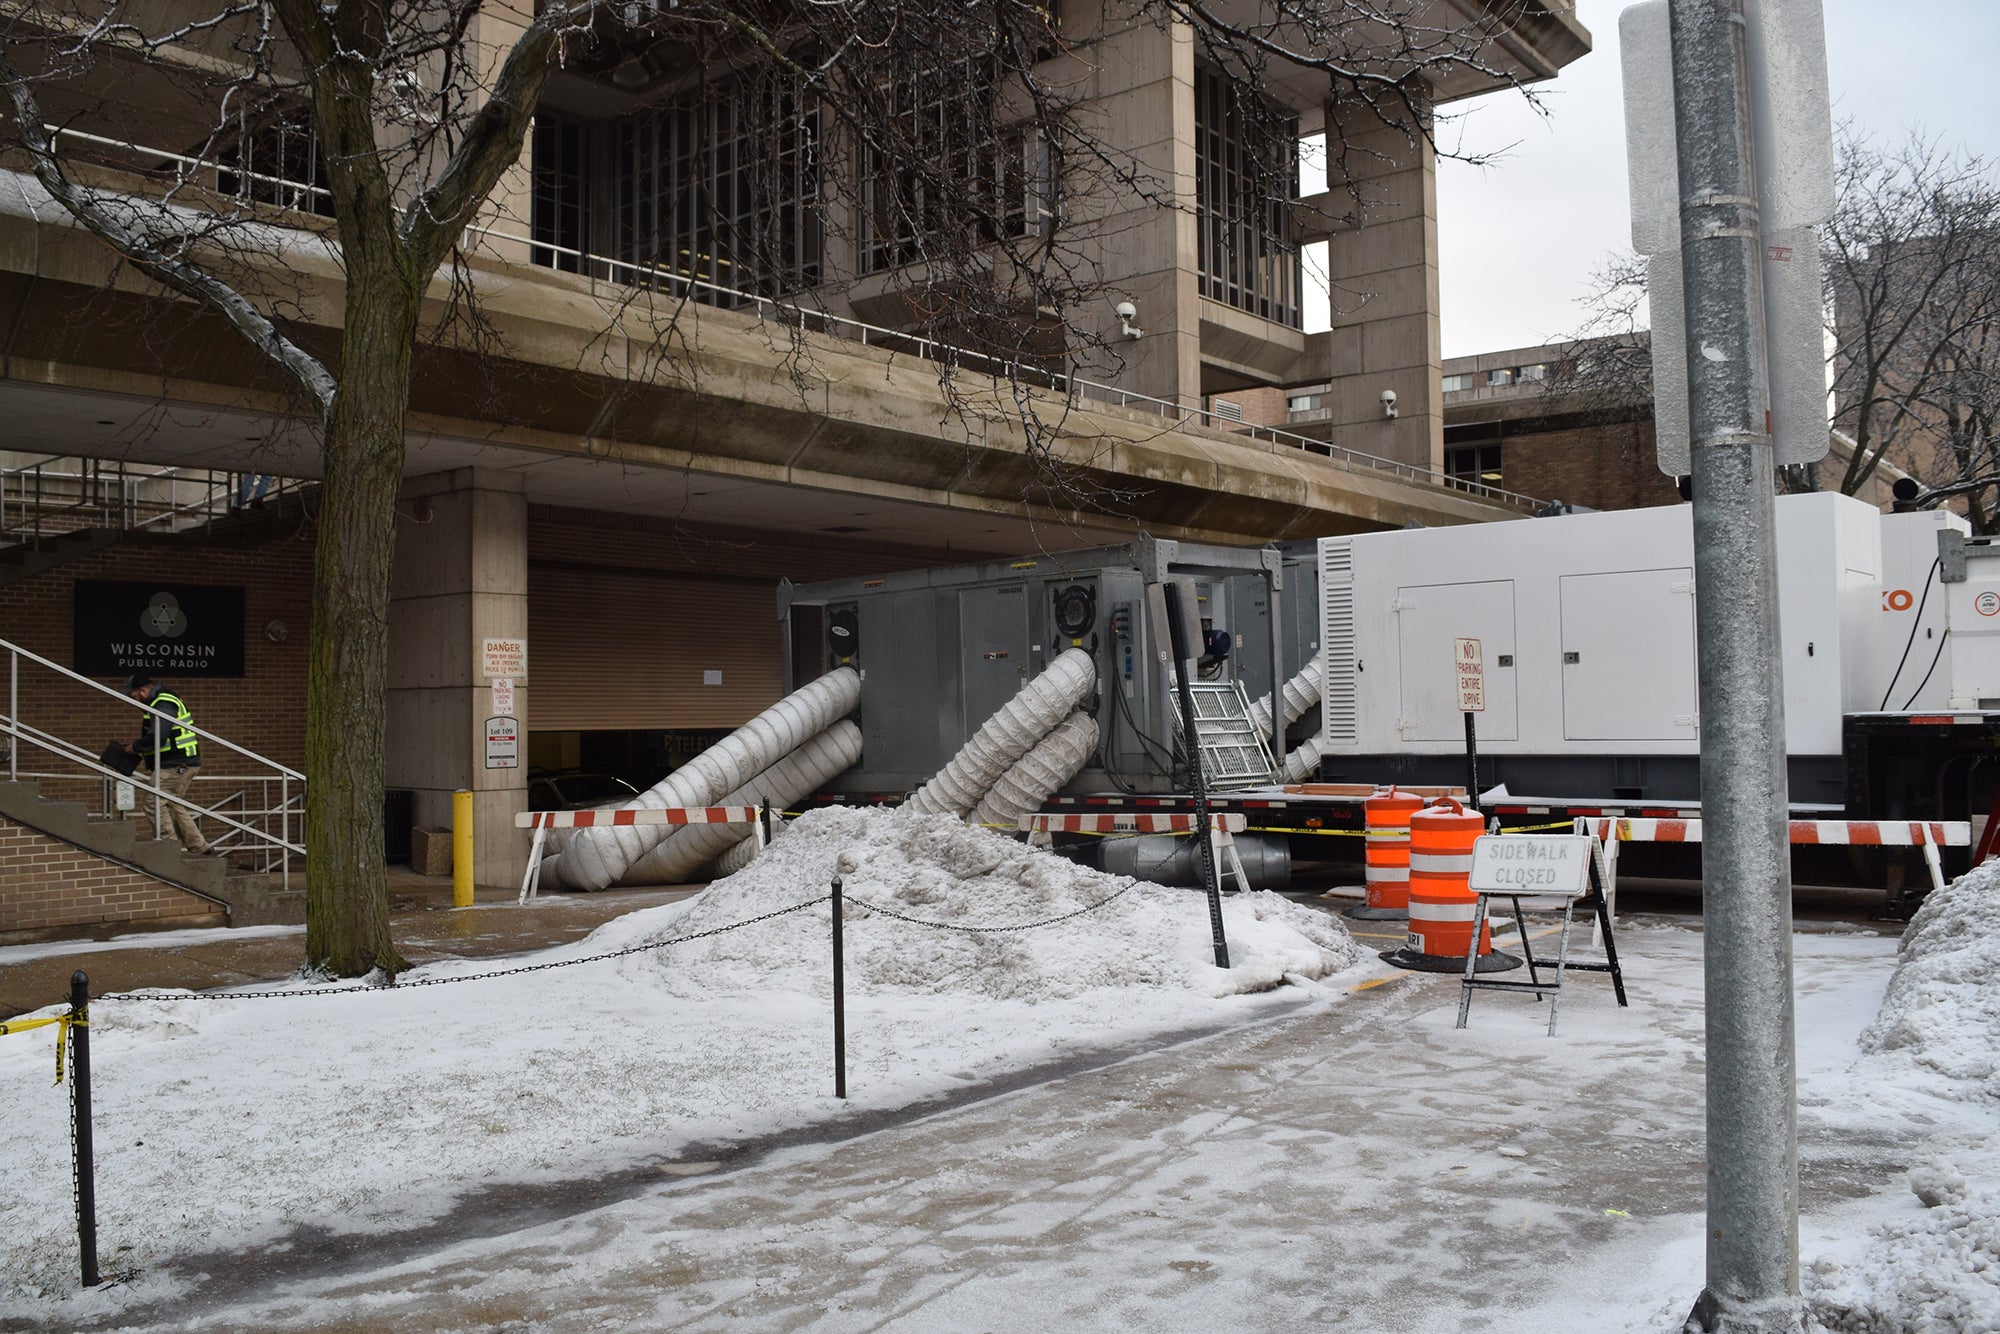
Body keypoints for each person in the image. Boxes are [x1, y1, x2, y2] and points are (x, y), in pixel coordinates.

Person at [123, 674, 216, 855]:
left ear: (142, 691)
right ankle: (199, 846)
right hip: (181, 761)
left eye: (133, 695)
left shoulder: (163, 702)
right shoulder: (161, 701)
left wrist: (136, 747)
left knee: (153, 802)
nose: (132, 700)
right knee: (171, 803)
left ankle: (168, 846)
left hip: (176, 762)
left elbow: (160, 733)